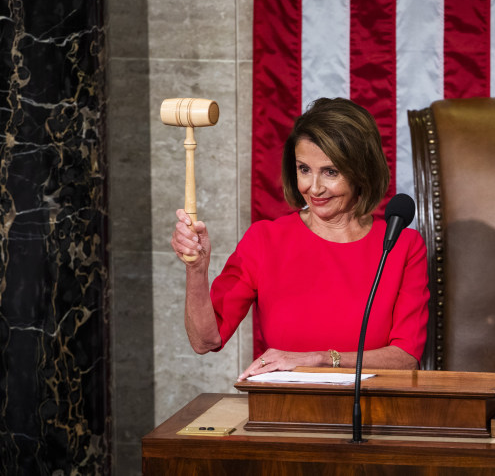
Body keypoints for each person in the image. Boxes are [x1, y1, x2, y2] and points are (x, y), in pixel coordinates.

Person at [170, 97, 430, 381]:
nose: (313, 187)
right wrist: (196, 270)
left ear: (362, 171)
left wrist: (319, 359)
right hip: (285, 411)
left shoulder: (402, 246)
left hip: (373, 413)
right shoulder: (265, 240)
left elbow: (406, 360)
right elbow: (205, 341)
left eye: (330, 172)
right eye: (304, 169)